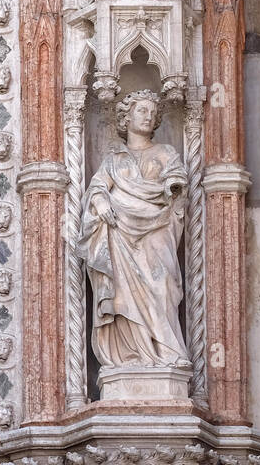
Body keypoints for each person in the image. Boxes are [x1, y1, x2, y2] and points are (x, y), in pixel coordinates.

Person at [79, 90, 188, 368]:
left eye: (152, 112)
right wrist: (101, 201)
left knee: (162, 286)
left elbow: (176, 179)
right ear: (126, 118)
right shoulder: (114, 159)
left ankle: (169, 353)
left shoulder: (166, 152)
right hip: (121, 236)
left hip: (157, 232)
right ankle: (132, 356)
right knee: (122, 297)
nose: (148, 116)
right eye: (141, 110)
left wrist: (172, 187)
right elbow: (98, 187)